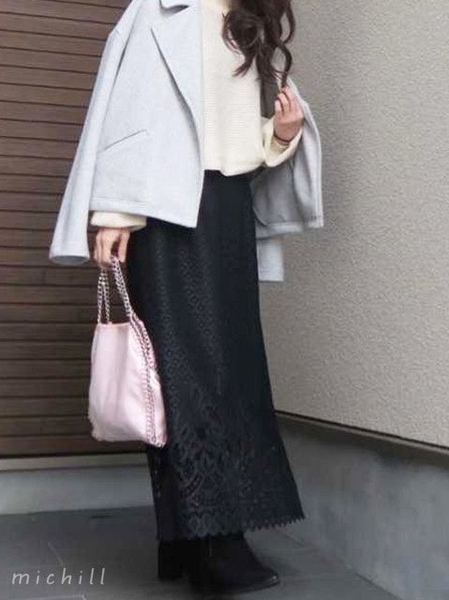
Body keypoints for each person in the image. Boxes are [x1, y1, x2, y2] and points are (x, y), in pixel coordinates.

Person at [47, 0, 323, 595]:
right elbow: (130, 109)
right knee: (186, 375)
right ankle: (213, 543)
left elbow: (236, 135)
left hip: (227, 210)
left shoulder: (247, 19)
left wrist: (279, 136)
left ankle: (182, 535)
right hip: (167, 212)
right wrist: (115, 210)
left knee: (230, 369)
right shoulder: (160, 10)